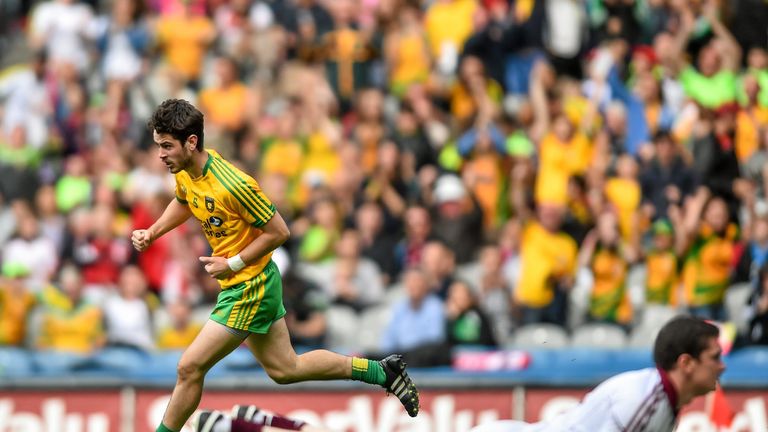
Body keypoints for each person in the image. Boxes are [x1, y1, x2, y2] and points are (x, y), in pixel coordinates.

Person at [130, 99, 419, 432]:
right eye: (159, 145)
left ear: (191, 142)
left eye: (166, 146)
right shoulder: (186, 172)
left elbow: (280, 231)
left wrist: (232, 263)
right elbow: (184, 200)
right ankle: (382, 372)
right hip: (245, 282)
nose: (160, 154)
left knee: (189, 367)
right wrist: (153, 232)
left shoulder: (234, 184)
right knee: (286, 369)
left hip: (250, 285)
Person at [470, 316, 725, 431]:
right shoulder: (645, 400)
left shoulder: (663, 403)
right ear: (686, 363)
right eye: (714, 357)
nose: (722, 366)